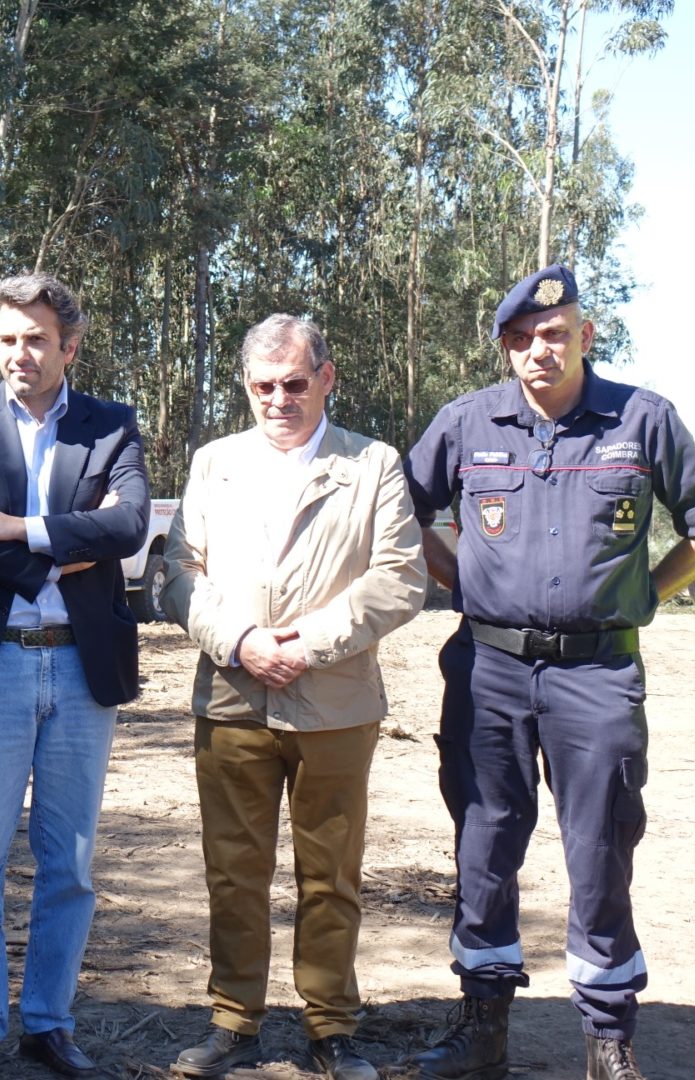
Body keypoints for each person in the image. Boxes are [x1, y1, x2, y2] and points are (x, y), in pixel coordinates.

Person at [401, 265, 695, 1080]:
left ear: (584, 335)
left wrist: (647, 591)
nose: (537, 350)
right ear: (506, 350)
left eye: (553, 334)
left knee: (602, 847)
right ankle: (483, 1027)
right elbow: (401, 509)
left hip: (599, 675)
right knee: (484, 843)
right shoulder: (467, 421)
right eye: (520, 338)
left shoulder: (642, 418)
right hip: (489, 670)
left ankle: (607, 1039)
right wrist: (457, 575)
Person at [159, 315, 426, 1080]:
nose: (279, 400)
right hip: (233, 700)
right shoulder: (215, 464)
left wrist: (309, 644)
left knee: (331, 873)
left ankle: (330, 1026)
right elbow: (180, 572)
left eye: (295, 384)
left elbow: (400, 576)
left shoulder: (373, 464)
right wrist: (240, 642)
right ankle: (233, 1018)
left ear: (327, 379)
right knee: (234, 869)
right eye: (262, 386)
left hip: (335, 703)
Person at [0, 273, 150, 1080]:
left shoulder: (112, 426)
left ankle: (49, 1023)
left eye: (37, 339)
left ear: (69, 346)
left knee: (72, 864)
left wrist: (17, 526)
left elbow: (126, 527)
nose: (21, 353)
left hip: (80, 669)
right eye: (8, 339)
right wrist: (57, 550)